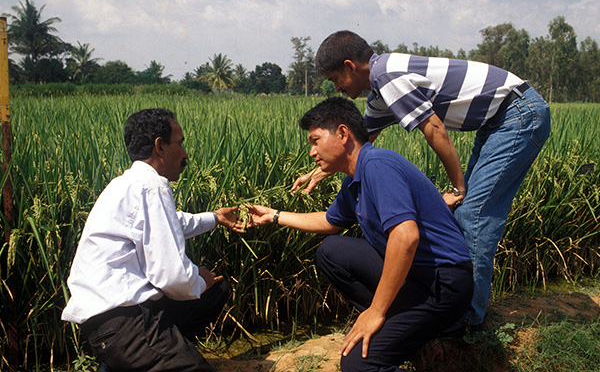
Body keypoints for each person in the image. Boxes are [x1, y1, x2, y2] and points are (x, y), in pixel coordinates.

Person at [292, 30, 551, 328]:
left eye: (336, 78)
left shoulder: (388, 76)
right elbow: (357, 142)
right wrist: (316, 173)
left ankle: (467, 320)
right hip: (496, 119)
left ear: (351, 66)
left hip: (517, 114)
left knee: (474, 214)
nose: (337, 87)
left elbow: (434, 130)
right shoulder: (380, 90)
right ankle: (457, 309)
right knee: (468, 212)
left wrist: (458, 188)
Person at [248, 97, 473, 371]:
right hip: (415, 275)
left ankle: (417, 319)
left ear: (343, 134)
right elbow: (329, 221)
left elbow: (406, 237)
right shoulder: (354, 179)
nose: (311, 152)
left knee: (357, 365)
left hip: (443, 281)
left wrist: (375, 312)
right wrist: (274, 216)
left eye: (315, 140)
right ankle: (401, 320)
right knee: (331, 251)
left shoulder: (378, 165)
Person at [62, 108, 245, 372]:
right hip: (125, 324)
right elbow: (170, 276)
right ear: (160, 146)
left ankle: (145, 357)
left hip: (107, 324)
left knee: (215, 293)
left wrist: (216, 218)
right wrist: (198, 281)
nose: (184, 154)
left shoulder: (128, 184)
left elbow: (173, 223)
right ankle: (150, 356)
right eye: (180, 143)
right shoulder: (152, 186)